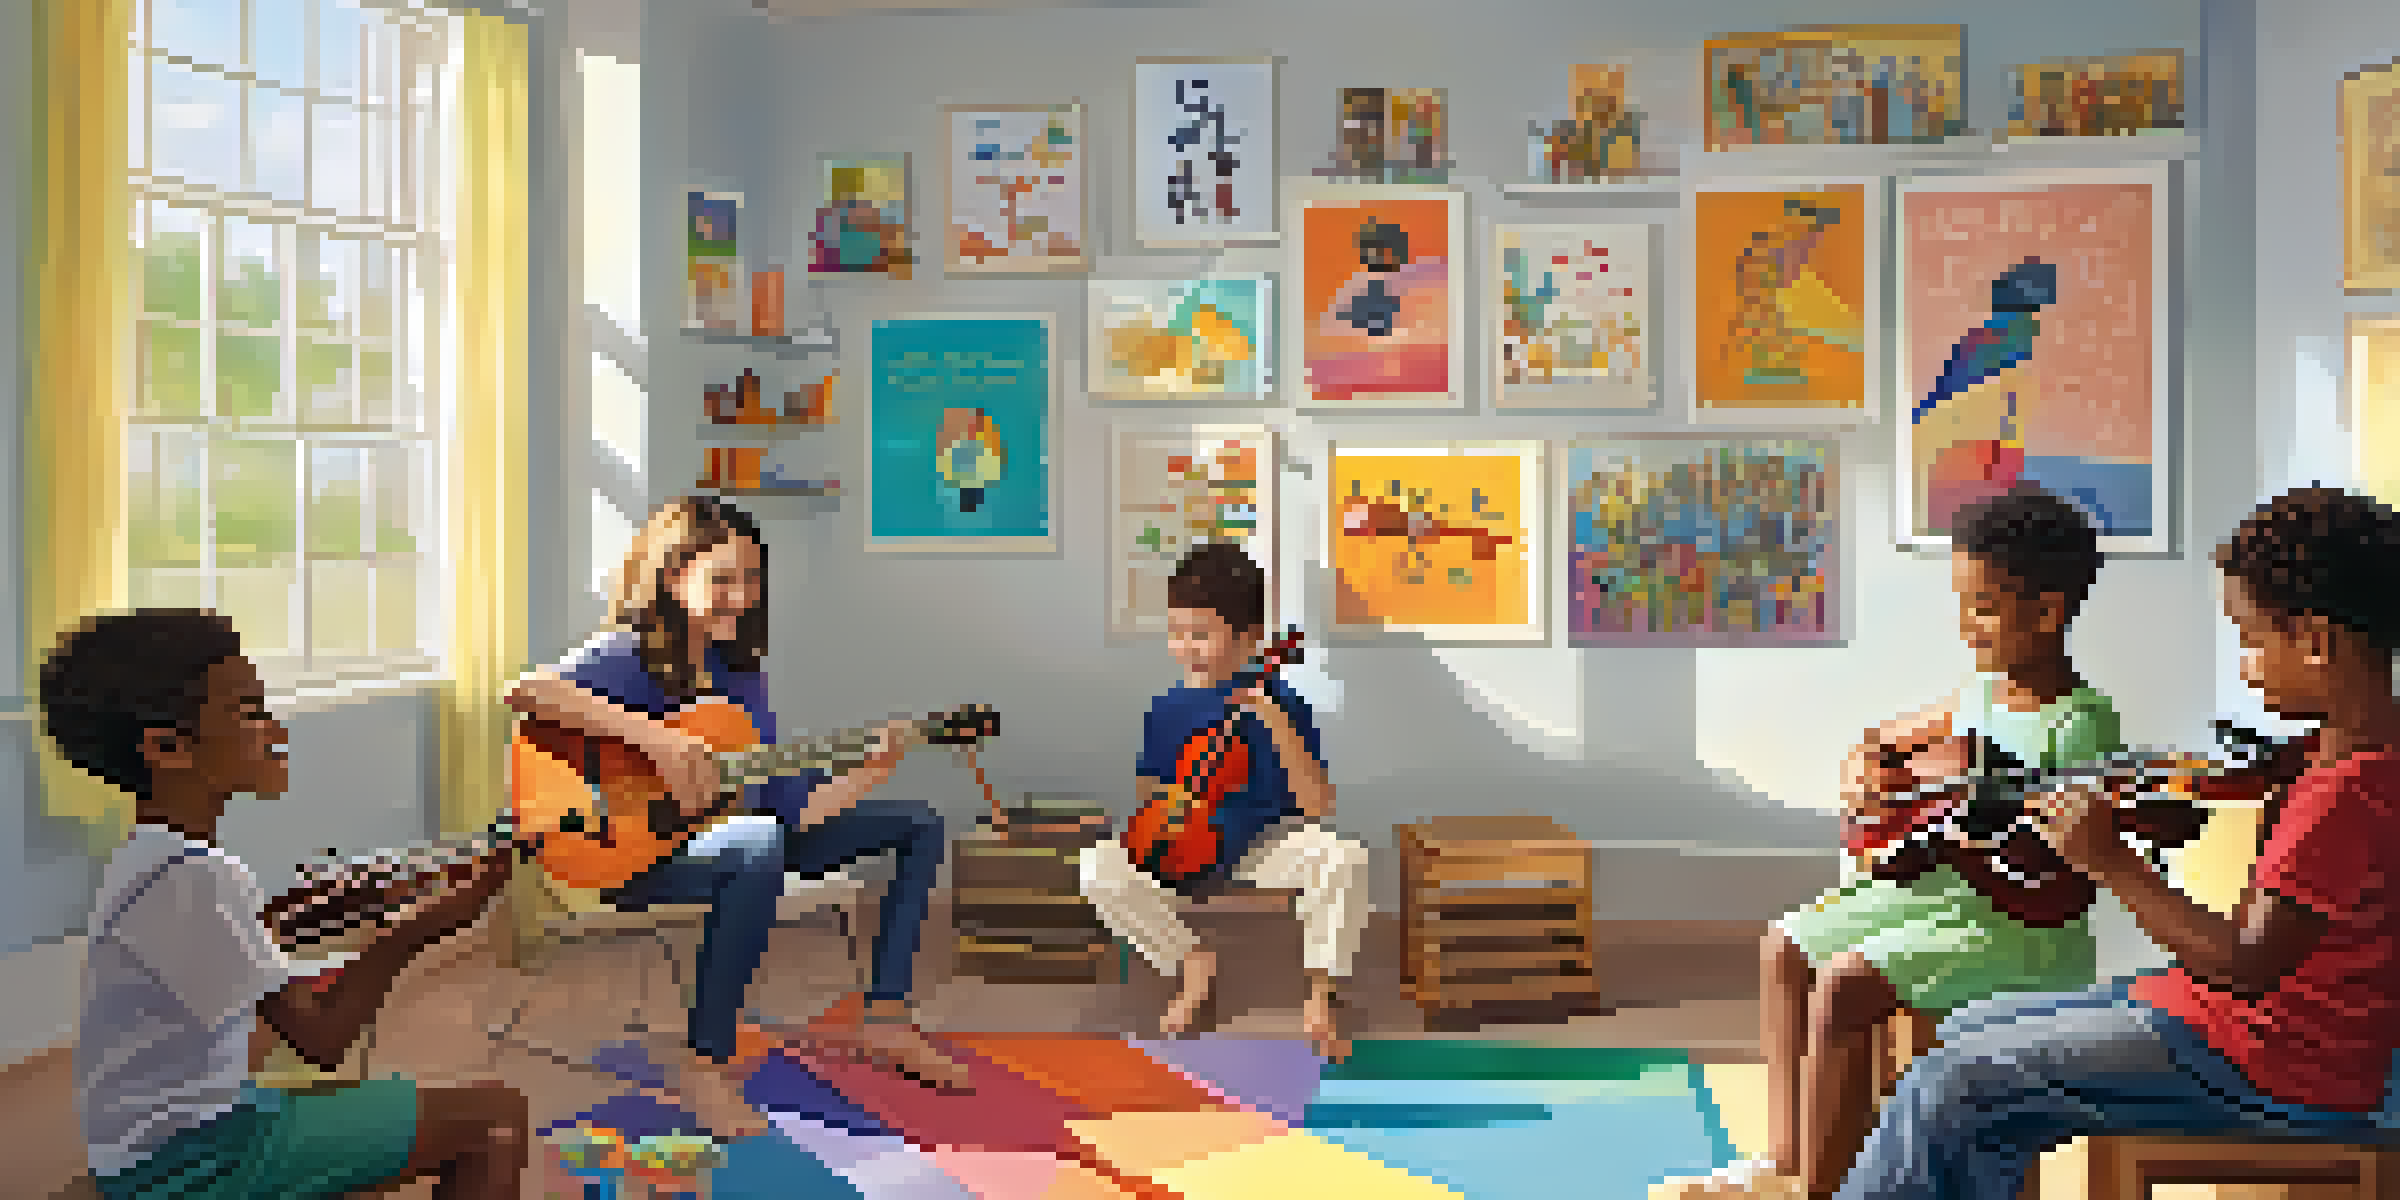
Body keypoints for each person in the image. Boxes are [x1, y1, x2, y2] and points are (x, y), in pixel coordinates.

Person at [1824, 486, 2400, 1200]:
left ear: (2317, 643)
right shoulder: (2342, 752)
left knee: (1959, 1078)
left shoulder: (2343, 796)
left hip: (2276, 1063)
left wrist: (2111, 861)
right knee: (1972, 1027)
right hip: (2269, 1035)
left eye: (2252, 639)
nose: (2246, 663)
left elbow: (2246, 965)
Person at [1672, 483, 2128, 1199]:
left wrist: (1983, 833)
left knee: (1847, 982)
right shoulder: (1980, 692)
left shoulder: (2081, 724)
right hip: (1937, 899)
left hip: (2019, 928)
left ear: (2046, 612)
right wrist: (1862, 772)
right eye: (1962, 602)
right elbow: (1881, 740)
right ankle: (1784, 1160)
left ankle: (1823, 1186)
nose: (1964, 625)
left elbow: (2058, 868)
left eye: (1981, 608)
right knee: (1783, 949)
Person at [505, 495, 972, 1142]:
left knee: (917, 823)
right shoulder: (629, 653)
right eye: (722, 578)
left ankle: (885, 1018)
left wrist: (872, 770)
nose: (741, 595)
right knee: (756, 842)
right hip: (628, 855)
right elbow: (526, 692)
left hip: (741, 844)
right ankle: (704, 1063)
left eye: (751, 579)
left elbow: (793, 811)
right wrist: (658, 741)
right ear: (673, 577)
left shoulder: (741, 674)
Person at [49, 609, 528, 1200]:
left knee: (391, 1105)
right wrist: (418, 930)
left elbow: (239, 1010)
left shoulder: (150, 859)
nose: (274, 728)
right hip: (189, 1161)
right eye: (247, 711)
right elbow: (323, 1042)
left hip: (142, 1143)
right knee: (497, 1118)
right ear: (167, 747)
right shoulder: (199, 880)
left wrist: (288, 927)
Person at [1079, 542, 1370, 1061]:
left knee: (1344, 858)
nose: (1185, 647)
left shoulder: (1286, 705)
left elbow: (1318, 805)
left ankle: (1321, 995)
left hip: (1264, 847)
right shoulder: (1166, 709)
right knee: (1096, 868)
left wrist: (1274, 721)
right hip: (1186, 843)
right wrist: (1162, 824)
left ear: (1250, 638)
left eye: (1200, 635)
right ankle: (1191, 960)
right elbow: (1151, 793)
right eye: (1176, 633)